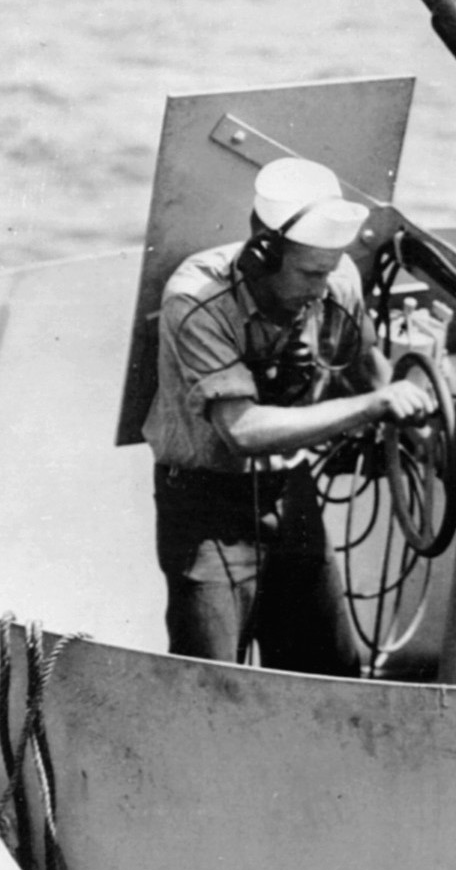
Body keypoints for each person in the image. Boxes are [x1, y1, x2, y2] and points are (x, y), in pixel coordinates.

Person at [145, 158, 434, 675]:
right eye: (308, 273)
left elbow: (368, 371)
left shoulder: (335, 278)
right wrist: (371, 407)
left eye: (329, 270)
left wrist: (417, 422)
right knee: (210, 685)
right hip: (205, 506)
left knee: (329, 675)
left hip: (289, 492)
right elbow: (241, 430)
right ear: (263, 257)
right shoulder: (197, 301)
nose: (323, 288)